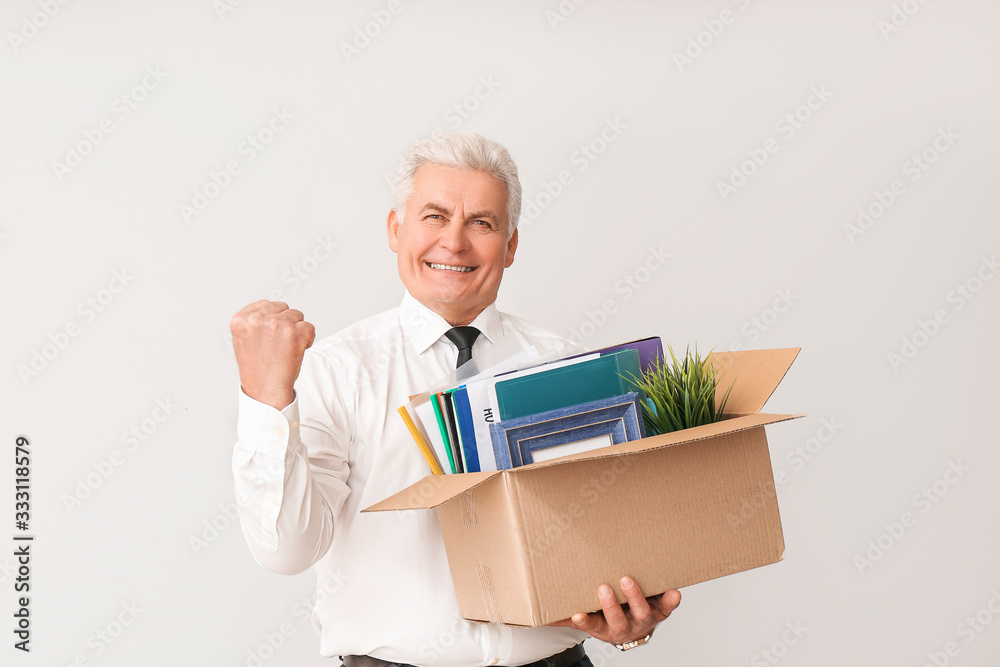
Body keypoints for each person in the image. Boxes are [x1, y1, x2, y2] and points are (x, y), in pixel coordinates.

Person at [229, 133, 681, 667]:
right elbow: (286, 550)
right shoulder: (334, 370)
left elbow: (605, 533)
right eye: (435, 217)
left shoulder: (564, 363)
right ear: (395, 229)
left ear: (510, 245)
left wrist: (629, 623)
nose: (455, 243)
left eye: (481, 223)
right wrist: (266, 399)